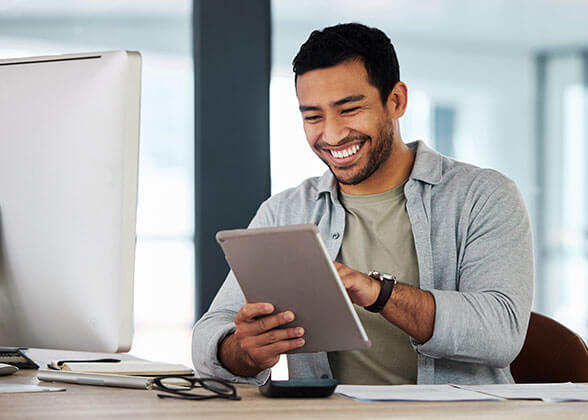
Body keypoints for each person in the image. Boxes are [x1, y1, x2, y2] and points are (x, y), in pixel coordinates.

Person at [192, 23, 533, 385]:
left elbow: (502, 332)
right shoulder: (285, 211)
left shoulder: (484, 196)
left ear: (396, 101)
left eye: (349, 109)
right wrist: (243, 351)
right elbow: (208, 337)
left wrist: (379, 292)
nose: (333, 134)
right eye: (313, 116)